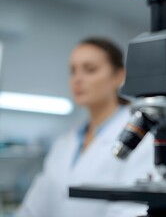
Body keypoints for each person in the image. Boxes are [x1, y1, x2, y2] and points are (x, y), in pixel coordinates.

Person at [16, 38, 156, 217]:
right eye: (73, 71)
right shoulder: (65, 142)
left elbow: (133, 209)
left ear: (119, 76)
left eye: (90, 70)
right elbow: (35, 206)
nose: (78, 79)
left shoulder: (140, 136)